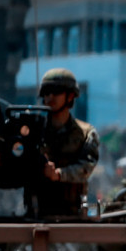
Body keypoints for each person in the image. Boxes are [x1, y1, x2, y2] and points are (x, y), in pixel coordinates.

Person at [18, 68, 100, 218]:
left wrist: (59, 174)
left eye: (55, 91)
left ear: (70, 96)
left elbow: (86, 168)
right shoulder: (33, 131)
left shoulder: (86, 133)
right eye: (46, 92)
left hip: (73, 217)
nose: (50, 97)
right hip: (36, 215)